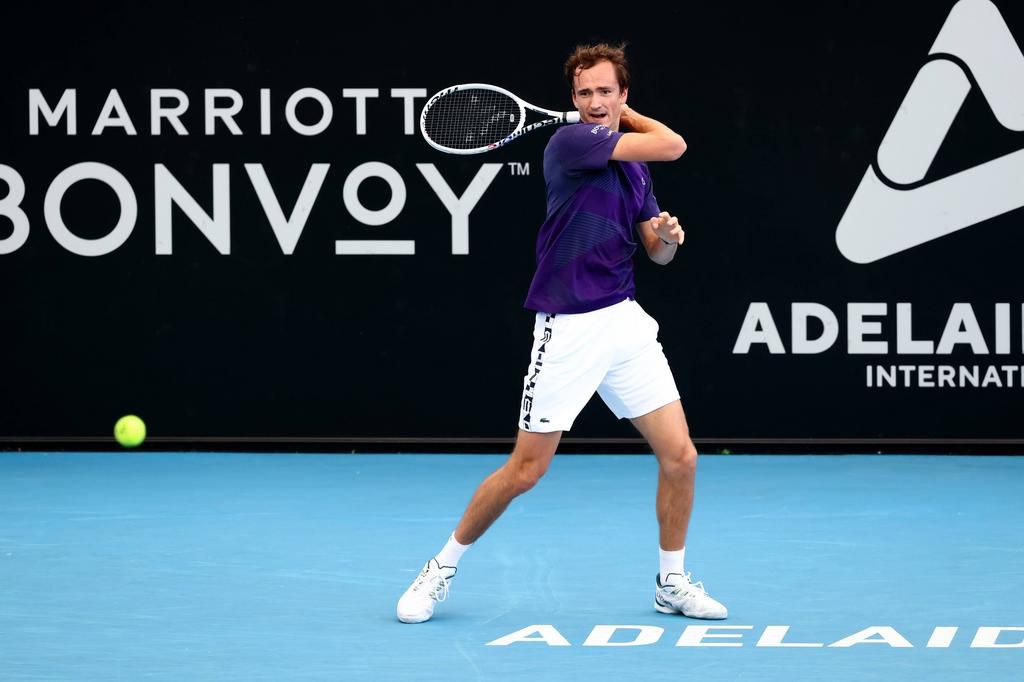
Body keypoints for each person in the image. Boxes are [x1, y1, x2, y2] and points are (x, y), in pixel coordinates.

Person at [397, 43, 727, 623]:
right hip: (570, 328)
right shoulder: (570, 142)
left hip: (624, 322)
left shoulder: (634, 166)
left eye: (606, 91)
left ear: (623, 93)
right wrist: (627, 117)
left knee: (681, 457)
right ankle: (439, 569)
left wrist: (668, 237)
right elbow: (675, 143)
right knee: (527, 470)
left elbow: (656, 252)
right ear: (573, 99)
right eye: (585, 93)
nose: (595, 101)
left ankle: (671, 583)